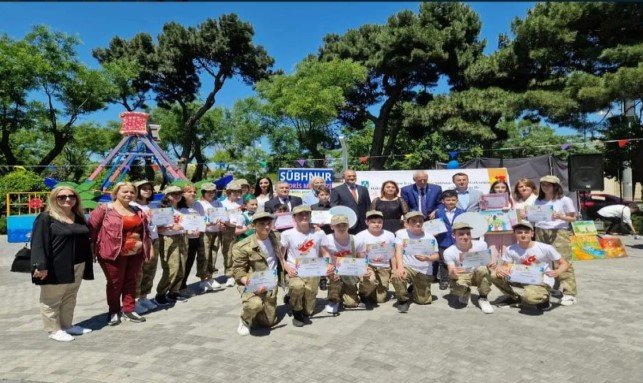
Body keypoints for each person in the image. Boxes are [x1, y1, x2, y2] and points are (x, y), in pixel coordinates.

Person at [31, 186, 94, 342]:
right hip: (55, 266)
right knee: (51, 299)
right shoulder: (46, 217)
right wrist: (40, 266)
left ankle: (67, 326)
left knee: (70, 297)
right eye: (62, 197)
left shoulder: (78, 216)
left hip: (78, 264)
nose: (67, 199)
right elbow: (38, 243)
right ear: (54, 199)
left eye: (71, 196)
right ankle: (53, 330)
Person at [89, 182, 151, 325]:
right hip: (111, 252)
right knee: (115, 283)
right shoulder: (104, 209)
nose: (129, 194)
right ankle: (114, 311)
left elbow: (145, 232)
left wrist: (148, 249)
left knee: (131, 281)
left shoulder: (137, 210)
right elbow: (92, 231)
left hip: (135, 252)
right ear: (116, 193)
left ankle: (129, 309)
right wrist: (91, 250)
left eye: (132, 192)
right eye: (125, 192)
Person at [489, 221, 569, 312]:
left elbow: (564, 263)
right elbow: (505, 266)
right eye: (519, 232)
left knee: (530, 298)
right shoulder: (510, 249)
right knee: (494, 275)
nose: (523, 235)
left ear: (532, 234)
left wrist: (558, 272)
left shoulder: (546, 248)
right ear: (515, 234)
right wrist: (500, 269)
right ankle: (514, 297)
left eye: (526, 232)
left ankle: (544, 298)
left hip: (541, 279)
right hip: (521, 277)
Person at [279, 205, 333, 327]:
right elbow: (281, 256)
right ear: (294, 217)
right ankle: (297, 313)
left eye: (306, 214)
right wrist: (287, 268)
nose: (304, 217)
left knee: (308, 311)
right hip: (295, 270)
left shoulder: (319, 233)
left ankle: (291, 297)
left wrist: (328, 264)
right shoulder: (287, 234)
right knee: (297, 287)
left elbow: (325, 252)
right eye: (300, 215)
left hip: (313, 270)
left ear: (310, 216)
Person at [232, 212, 282, 336]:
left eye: (268, 223)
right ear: (253, 225)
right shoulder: (242, 246)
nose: (266, 227)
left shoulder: (276, 237)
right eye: (261, 224)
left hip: (272, 281)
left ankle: (260, 311)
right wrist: (252, 284)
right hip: (253, 281)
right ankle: (245, 319)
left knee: (268, 322)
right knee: (254, 304)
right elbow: (238, 271)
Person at [533, 175, 578, 306]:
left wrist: (561, 217)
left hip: (559, 232)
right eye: (543, 184)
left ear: (555, 186)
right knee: (542, 261)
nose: (545, 186)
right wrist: (526, 215)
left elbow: (573, 218)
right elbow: (534, 216)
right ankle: (550, 287)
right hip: (540, 230)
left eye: (548, 184)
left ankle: (570, 293)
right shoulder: (538, 200)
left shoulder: (565, 200)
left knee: (563, 261)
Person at [391, 211, 440, 313]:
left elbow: (437, 256)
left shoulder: (430, 237)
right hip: (408, 267)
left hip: (424, 271)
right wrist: (399, 268)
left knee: (423, 301)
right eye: (413, 221)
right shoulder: (401, 234)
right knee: (397, 276)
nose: (417, 223)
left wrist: (428, 258)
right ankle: (403, 300)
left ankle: (414, 287)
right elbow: (398, 252)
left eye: (420, 221)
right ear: (407, 223)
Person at [443, 222, 495, 314]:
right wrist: (453, 273)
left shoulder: (481, 245)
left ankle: (483, 298)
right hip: (462, 275)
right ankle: (465, 292)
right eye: (461, 234)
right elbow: (451, 272)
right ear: (453, 235)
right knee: (457, 290)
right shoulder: (448, 252)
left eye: (468, 233)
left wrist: (491, 265)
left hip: (477, 273)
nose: (465, 236)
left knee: (483, 269)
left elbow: (487, 263)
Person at [154, 185, 188, 305]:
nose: (177, 195)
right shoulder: (161, 209)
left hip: (182, 237)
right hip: (168, 238)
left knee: (182, 267)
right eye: (173, 194)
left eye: (179, 193)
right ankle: (160, 294)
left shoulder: (183, 209)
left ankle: (174, 292)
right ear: (167, 196)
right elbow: (156, 227)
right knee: (171, 268)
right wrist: (171, 226)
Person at [355, 210, 396, 305]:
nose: (376, 224)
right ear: (367, 222)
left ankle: (372, 290)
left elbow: (393, 254)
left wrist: (393, 270)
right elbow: (358, 255)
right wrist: (363, 267)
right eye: (373, 222)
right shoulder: (360, 236)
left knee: (380, 300)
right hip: (368, 265)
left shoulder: (389, 235)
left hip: (384, 267)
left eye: (379, 222)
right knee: (370, 281)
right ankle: (363, 293)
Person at [131, 180, 160, 314]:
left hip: (154, 239)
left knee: (151, 269)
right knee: (139, 271)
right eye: (144, 188)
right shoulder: (132, 205)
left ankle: (144, 297)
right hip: (141, 241)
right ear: (137, 190)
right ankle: (134, 301)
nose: (147, 191)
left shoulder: (153, 205)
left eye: (149, 188)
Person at [325, 214, 363, 314]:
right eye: (338, 225)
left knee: (351, 304)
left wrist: (362, 271)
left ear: (348, 226)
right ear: (332, 227)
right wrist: (328, 268)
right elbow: (322, 258)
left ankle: (345, 292)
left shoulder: (356, 239)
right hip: (334, 271)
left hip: (350, 272)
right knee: (333, 275)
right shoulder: (326, 239)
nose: (341, 228)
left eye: (344, 225)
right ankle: (333, 299)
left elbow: (361, 258)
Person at [195, 182, 225, 292]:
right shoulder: (198, 203)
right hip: (205, 232)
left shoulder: (218, 203)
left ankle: (210, 277)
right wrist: (209, 223)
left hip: (215, 232)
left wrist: (222, 224)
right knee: (204, 255)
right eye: (209, 192)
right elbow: (197, 219)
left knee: (213, 254)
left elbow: (222, 216)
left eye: (213, 191)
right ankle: (203, 279)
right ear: (203, 192)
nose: (211, 194)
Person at [178, 184, 206, 298]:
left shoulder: (198, 205)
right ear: (183, 194)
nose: (193, 194)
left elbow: (203, 219)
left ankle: (183, 286)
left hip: (195, 238)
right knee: (181, 264)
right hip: (183, 239)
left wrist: (201, 228)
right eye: (189, 191)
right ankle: (176, 288)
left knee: (189, 263)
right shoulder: (179, 206)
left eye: (194, 191)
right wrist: (186, 231)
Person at [433, 190, 465, 290]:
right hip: (443, 239)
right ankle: (444, 280)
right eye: (448, 200)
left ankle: (456, 279)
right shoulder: (438, 212)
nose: (451, 202)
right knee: (443, 261)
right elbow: (436, 225)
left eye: (453, 200)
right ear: (443, 201)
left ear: (457, 200)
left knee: (458, 260)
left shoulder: (462, 212)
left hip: (457, 241)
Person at [221, 181, 248, 287]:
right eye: (234, 191)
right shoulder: (222, 203)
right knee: (228, 251)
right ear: (229, 192)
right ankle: (230, 275)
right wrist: (226, 223)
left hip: (242, 228)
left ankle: (242, 272)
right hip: (228, 229)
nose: (237, 193)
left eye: (239, 191)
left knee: (243, 250)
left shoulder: (242, 201)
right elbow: (220, 217)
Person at [330, 169, 372, 234]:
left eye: (354, 176)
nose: (352, 178)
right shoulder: (336, 190)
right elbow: (334, 208)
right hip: (347, 223)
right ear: (343, 177)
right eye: (349, 176)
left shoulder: (363, 189)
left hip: (363, 224)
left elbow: (368, 206)